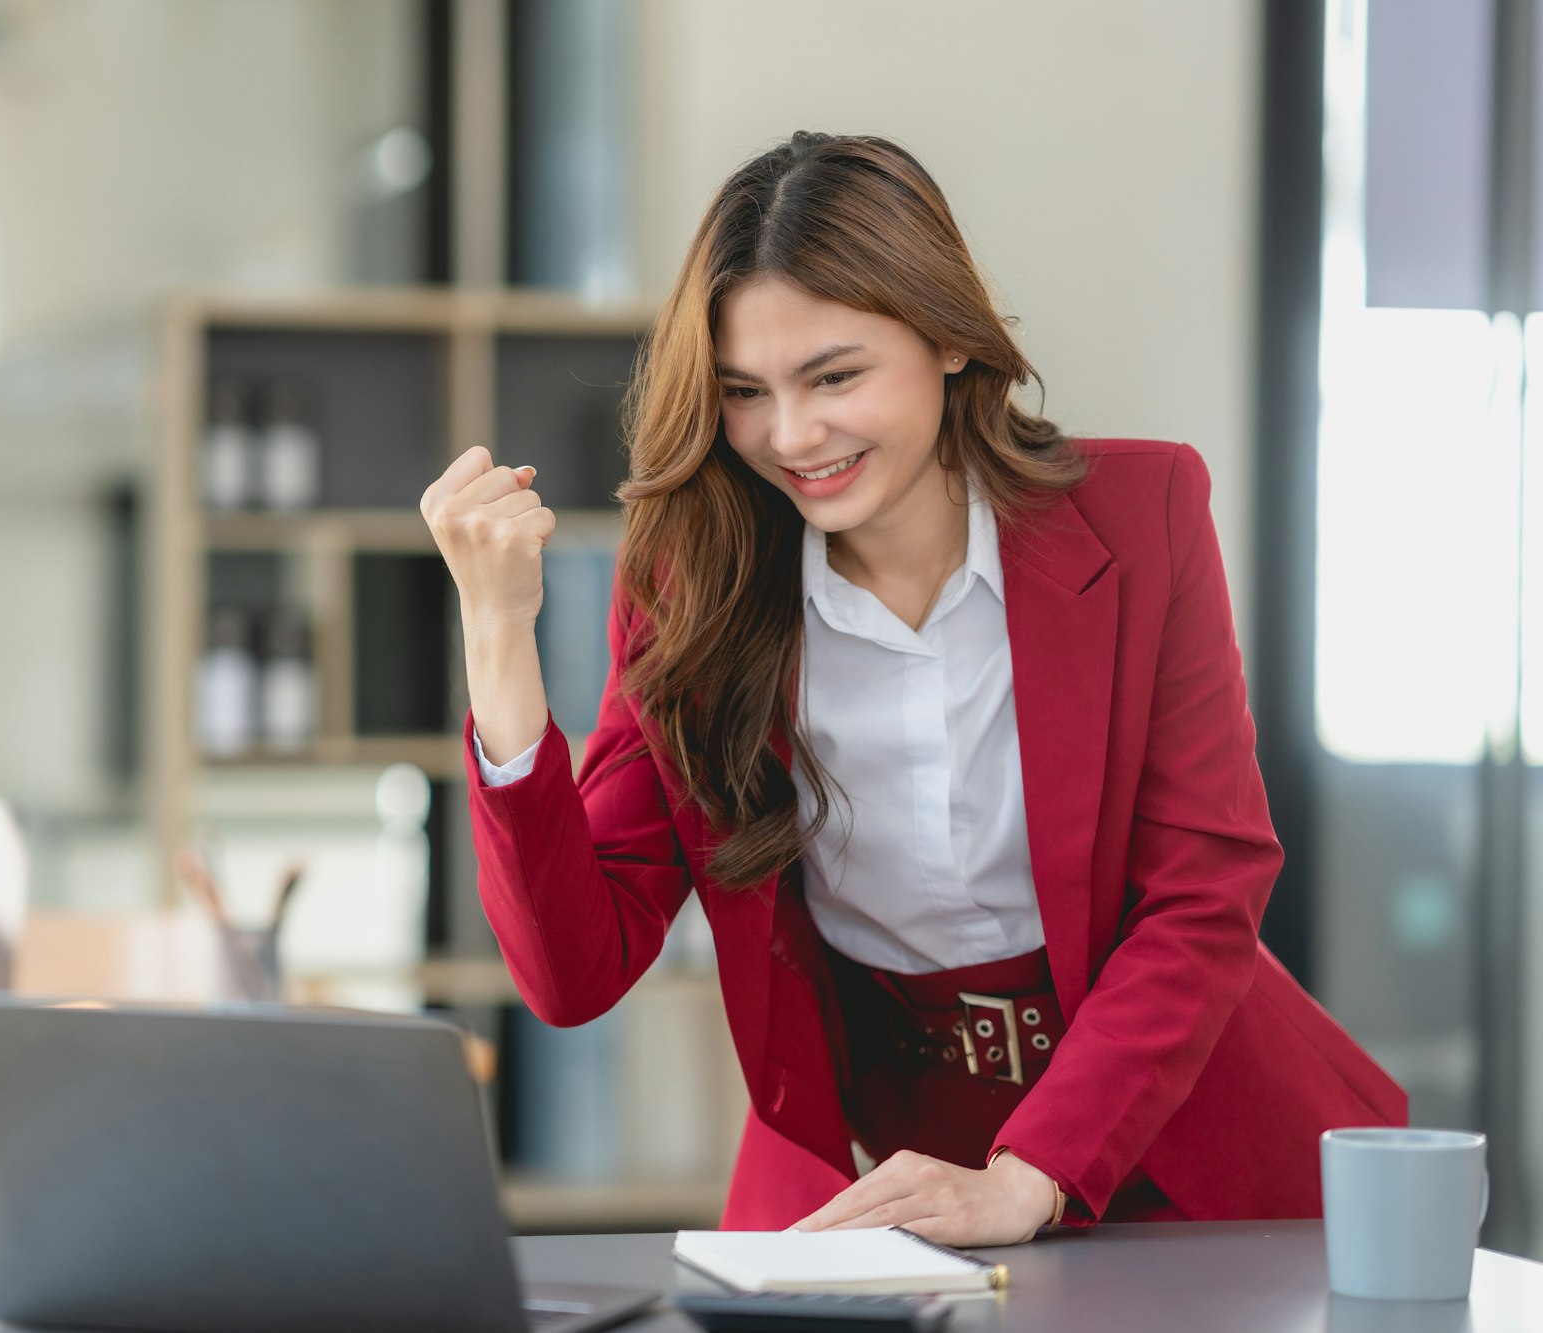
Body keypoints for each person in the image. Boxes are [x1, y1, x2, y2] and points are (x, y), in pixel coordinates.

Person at [419, 132, 1404, 1245]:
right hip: (871, 1165)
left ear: (944, 336)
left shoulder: (1142, 514)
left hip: (1177, 1134)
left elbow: (1203, 885)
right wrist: (497, 634)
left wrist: (1026, 1175)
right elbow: (570, 969)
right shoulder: (691, 586)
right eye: (745, 392)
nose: (790, 436)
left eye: (834, 376)